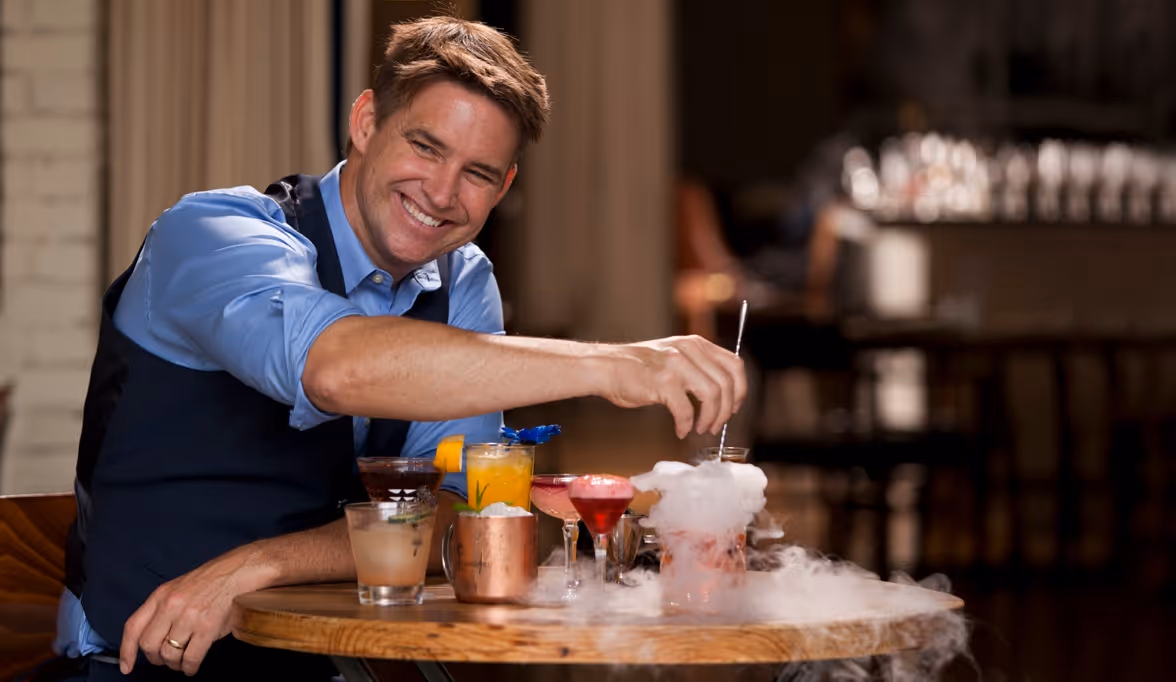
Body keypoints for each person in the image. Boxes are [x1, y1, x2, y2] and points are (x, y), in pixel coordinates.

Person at [56, 16, 746, 681]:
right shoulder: (212, 234)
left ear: (504, 188)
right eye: (425, 146)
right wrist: (610, 364)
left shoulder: (462, 281)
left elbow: (454, 514)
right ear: (364, 123)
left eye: (479, 173)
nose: (442, 193)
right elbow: (334, 369)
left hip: (322, 665)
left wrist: (261, 564)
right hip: (135, 664)